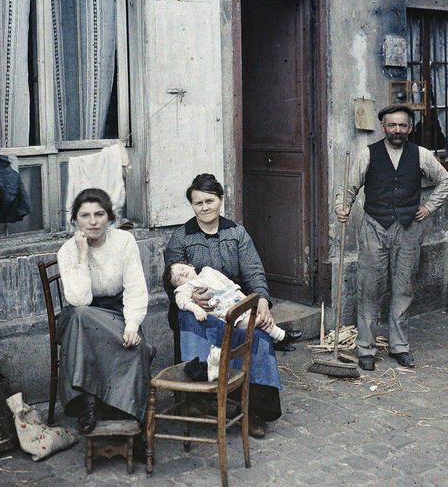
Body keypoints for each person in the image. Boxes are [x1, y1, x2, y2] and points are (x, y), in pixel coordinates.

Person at [164, 173, 301, 438]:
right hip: (193, 309)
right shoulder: (181, 237)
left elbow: (254, 273)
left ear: (220, 200)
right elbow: (172, 283)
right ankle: (202, 399)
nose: (204, 207)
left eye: (209, 201)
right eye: (198, 203)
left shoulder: (236, 233)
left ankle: (253, 411)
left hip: (232, 303)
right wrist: (191, 300)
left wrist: (261, 300)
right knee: (197, 323)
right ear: (191, 206)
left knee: (258, 334)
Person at [335, 104, 448, 371]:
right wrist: (343, 207)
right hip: (374, 227)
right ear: (383, 127)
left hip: (409, 229)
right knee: (369, 289)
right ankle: (365, 348)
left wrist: (429, 207)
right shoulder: (368, 154)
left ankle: (400, 346)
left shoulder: (421, 155)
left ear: (410, 128)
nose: (397, 130)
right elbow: (349, 187)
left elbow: (445, 181)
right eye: (392, 125)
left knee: (403, 288)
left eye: (402, 125)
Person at [56, 188, 153, 434]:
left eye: (99, 214)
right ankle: (88, 403)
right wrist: (82, 256)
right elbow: (79, 299)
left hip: (118, 313)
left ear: (109, 218)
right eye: (85, 215)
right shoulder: (67, 251)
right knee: (80, 315)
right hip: (80, 318)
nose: (93, 221)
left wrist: (132, 325)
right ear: (75, 220)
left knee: (135, 346)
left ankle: (131, 417)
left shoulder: (124, 241)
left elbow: (135, 286)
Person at [163, 262, 298, 350]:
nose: (182, 274)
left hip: (237, 300)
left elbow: (228, 283)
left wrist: (245, 299)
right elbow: (181, 301)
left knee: (259, 313)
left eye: (182, 269)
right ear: (178, 286)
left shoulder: (208, 271)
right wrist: (195, 308)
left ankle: (279, 338)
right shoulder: (186, 288)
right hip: (228, 314)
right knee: (254, 320)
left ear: (191, 266)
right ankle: (281, 335)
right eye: (178, 278)